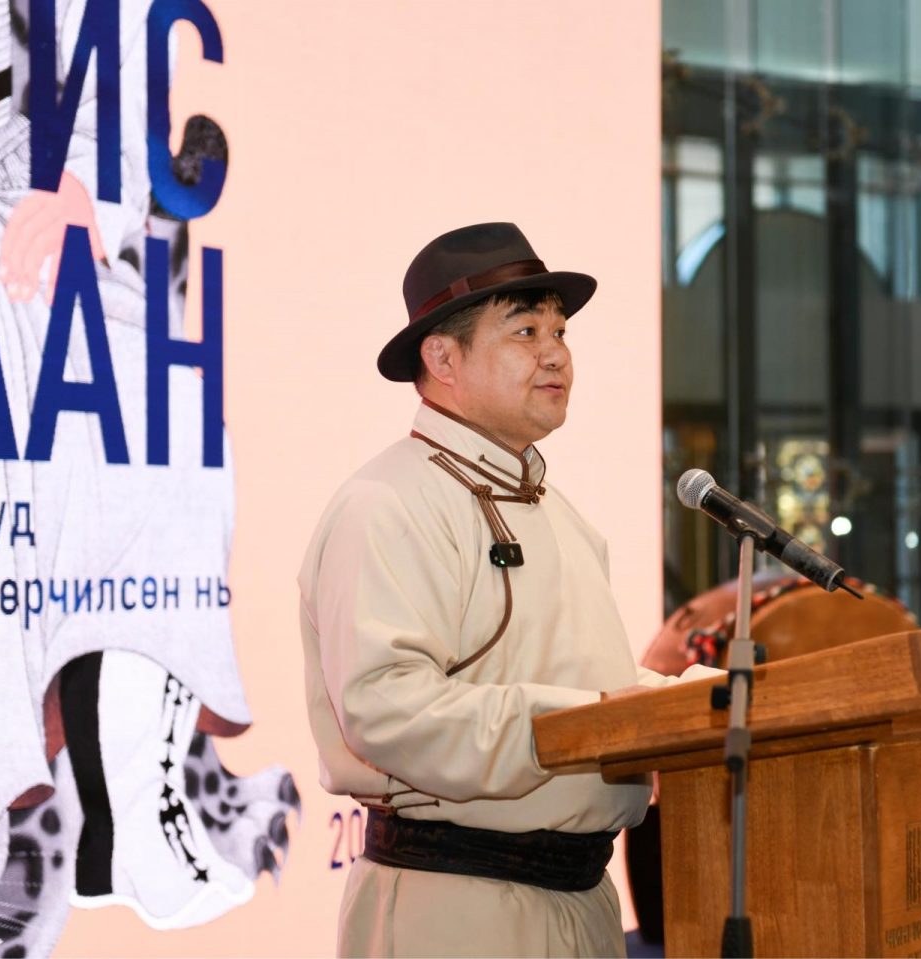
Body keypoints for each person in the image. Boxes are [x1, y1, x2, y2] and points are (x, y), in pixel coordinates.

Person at [298, 222, 717, 957]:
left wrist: (689, 703)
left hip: (583, 898)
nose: (556, 353)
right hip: (458, 904)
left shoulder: (559, 512)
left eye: (560, 332)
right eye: (525, 331)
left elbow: (578, 684)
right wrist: (597, 721)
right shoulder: (386, 505)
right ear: (442, 357)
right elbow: (386, 709)